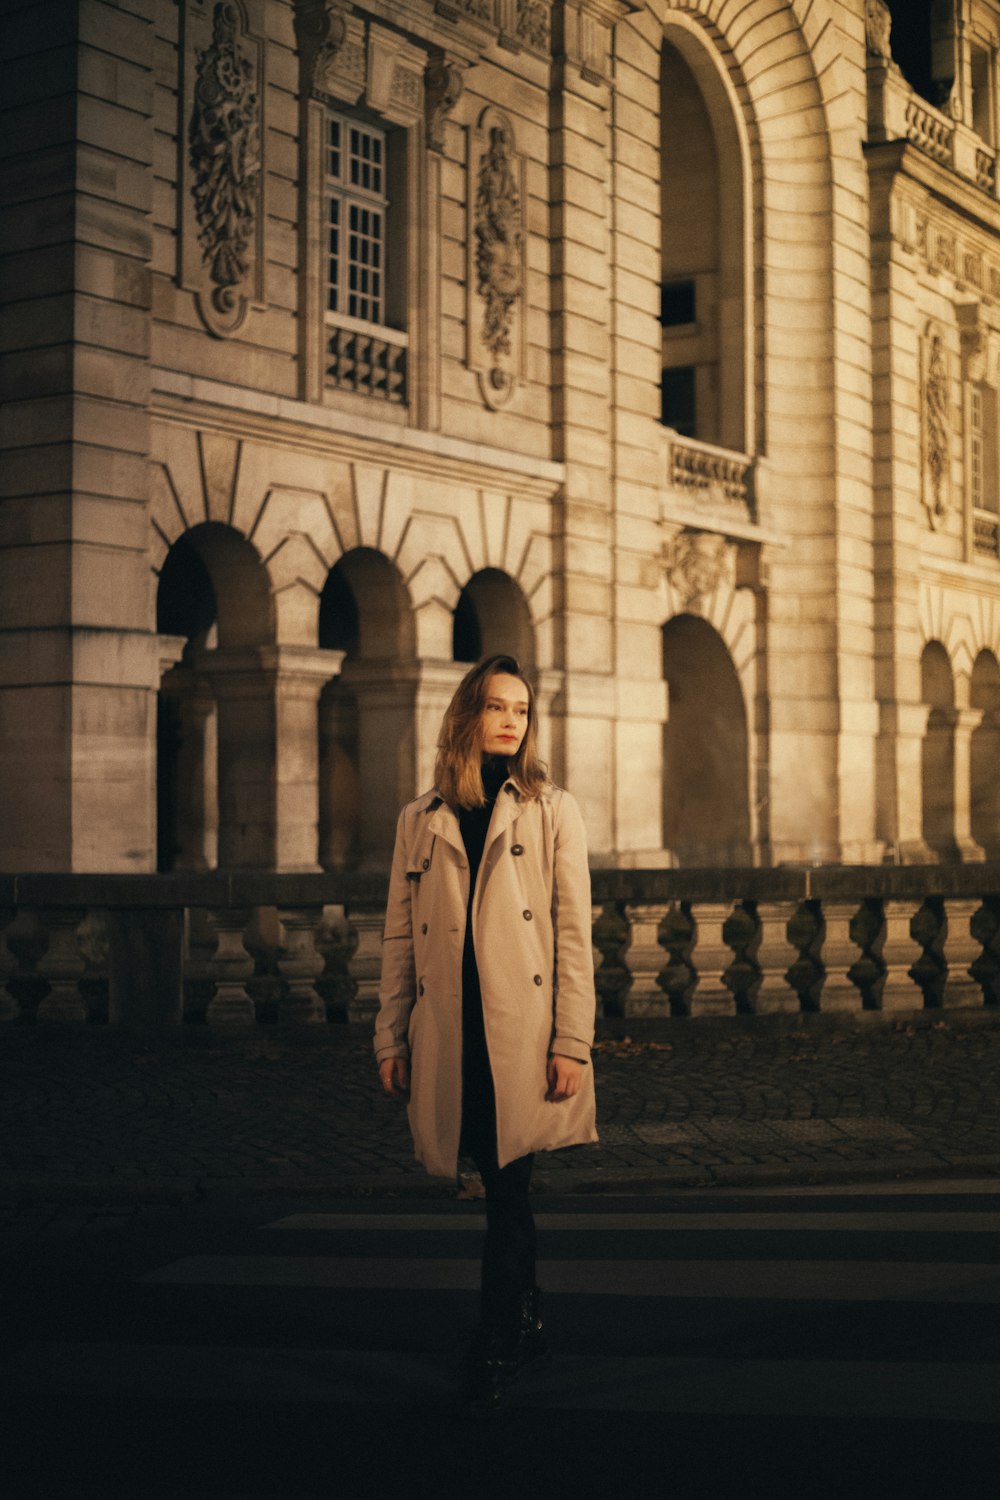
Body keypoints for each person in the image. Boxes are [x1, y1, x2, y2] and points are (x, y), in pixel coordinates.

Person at [374, 653, 598, 1415]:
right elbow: (399, 939)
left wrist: (572, 1042)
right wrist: (390, 1036)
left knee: (509, 1188)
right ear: (468, 714)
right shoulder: (420, 817)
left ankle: (497, 1339)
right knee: (500, 1186)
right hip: (449, 1033)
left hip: (520, 1033)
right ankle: (525, 1318)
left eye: (523, 709)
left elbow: (573, 935)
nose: (512, 719)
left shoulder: (551, 808)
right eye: (499, 705)